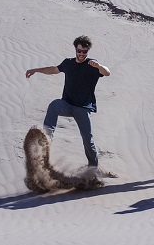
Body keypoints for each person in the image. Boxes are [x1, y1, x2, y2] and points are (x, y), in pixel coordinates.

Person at [25, 35, 111, 168]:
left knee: (88, 140)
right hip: (67, 104)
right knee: (54, 105)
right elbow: (53, 69)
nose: (81, 54)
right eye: (79, 51)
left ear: (87, 52)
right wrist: (35, 70)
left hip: (82, 108)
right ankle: (46, 139)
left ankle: (93, 167)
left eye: (84, 52)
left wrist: (99, 66)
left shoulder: (92, 64)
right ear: (75, 49)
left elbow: (107, 73)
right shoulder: (68, 63)